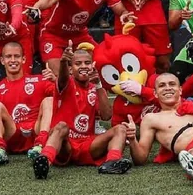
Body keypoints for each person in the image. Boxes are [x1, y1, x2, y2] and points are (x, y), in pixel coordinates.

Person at [31, 44, 133, 178]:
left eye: (87, 63)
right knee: (61, 126)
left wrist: (98, 85)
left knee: (120, 129)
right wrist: (63, 62)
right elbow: (62, 79)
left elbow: (107, 115)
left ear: (93, 65)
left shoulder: (94, 87)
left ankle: (112, 162)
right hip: (64, 145)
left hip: (87, 144)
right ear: (71, 69)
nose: (83, 66)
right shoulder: (67, 83)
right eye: (78, 63)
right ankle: (44, 161)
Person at [0, 42, 55, 165]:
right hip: (11, 134)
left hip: (36, 131)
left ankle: (41, 145)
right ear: (2, 60)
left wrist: (56, 81)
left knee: (49, 100)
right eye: (8, 57)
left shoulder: (40, 80)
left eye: (17, 56)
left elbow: (65, 100)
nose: (13, 60)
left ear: (24, 59)